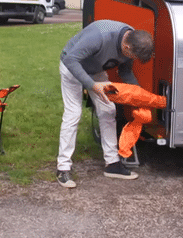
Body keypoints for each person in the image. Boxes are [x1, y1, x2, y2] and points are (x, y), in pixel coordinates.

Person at [56, 19, 154, 188]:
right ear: (127, 48)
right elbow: (71, 60)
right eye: (132, 57)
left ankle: (112, 164)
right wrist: (92, 85)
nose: (131, 59)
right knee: (73, 113)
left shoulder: (132, 40)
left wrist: (140, 96)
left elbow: (125, 72)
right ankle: (63, 168)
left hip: (95, 70)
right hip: (72, 66)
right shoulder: (99, 37)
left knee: (108, 110)